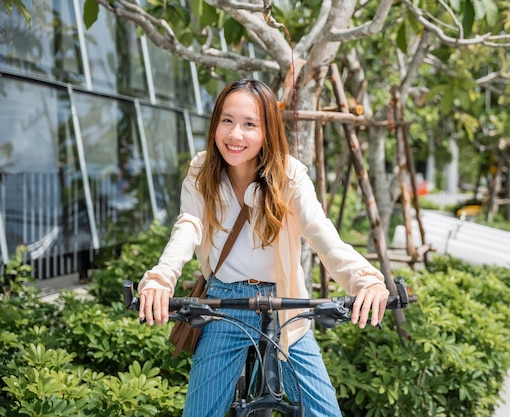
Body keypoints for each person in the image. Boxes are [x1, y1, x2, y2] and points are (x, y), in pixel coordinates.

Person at [138, 79, 389, 417]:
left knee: (324, 410)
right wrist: (160, 279)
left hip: (284, 305)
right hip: (225, 302)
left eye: (249, 124)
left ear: (267, 131)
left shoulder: (289, 175)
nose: (234, 134)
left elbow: (319, 231)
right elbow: (189, 225)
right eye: (226, 120)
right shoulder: (202, 169)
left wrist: (365, 279)